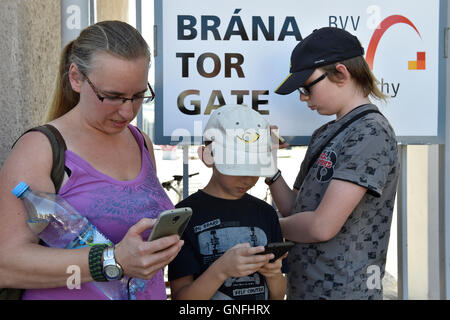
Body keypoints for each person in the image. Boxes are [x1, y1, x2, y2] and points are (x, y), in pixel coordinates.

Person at [0, 20, 183, 300]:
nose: (127, 111)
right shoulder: (40, 149)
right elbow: (7, 265)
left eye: (138, 96)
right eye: (112, 97)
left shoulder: (140, 142)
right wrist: (110, 261)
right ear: (76, 78)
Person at [268, 27, 400, 300]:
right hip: (305, 289)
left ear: (341, 73)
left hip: (345, 291)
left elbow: (321, 226)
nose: (303, 97)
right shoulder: (325, 132)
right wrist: (269, 168)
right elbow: (295, 210)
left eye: (307, 86)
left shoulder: (370, 132)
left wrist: (264, 225)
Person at [168, 104, 287, 300]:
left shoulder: (266, 212)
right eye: (237, 167)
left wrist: (273, 274)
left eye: (255, 168)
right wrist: (221, 270)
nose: (247, 178)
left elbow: (278, 295)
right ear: (208, 156)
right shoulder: (184, 216)